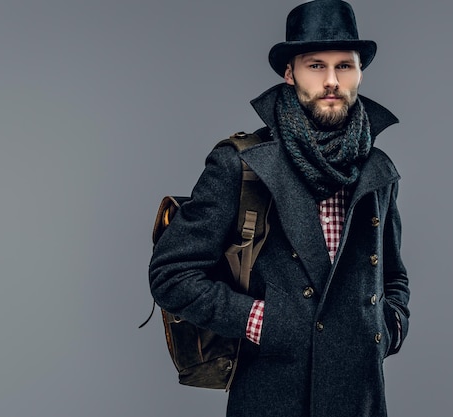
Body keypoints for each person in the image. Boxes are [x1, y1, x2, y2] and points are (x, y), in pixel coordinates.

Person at [149, 1, 410, 416]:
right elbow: (170, 275)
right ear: (289, 73)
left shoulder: (378, 171)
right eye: (315, 65)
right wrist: (261, 321)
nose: (331, 81)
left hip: (360, 398)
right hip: (273, 395)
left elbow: (393, 276)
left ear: (359, 73)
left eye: (344, 66)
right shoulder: (243, 163)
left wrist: (389, 326)